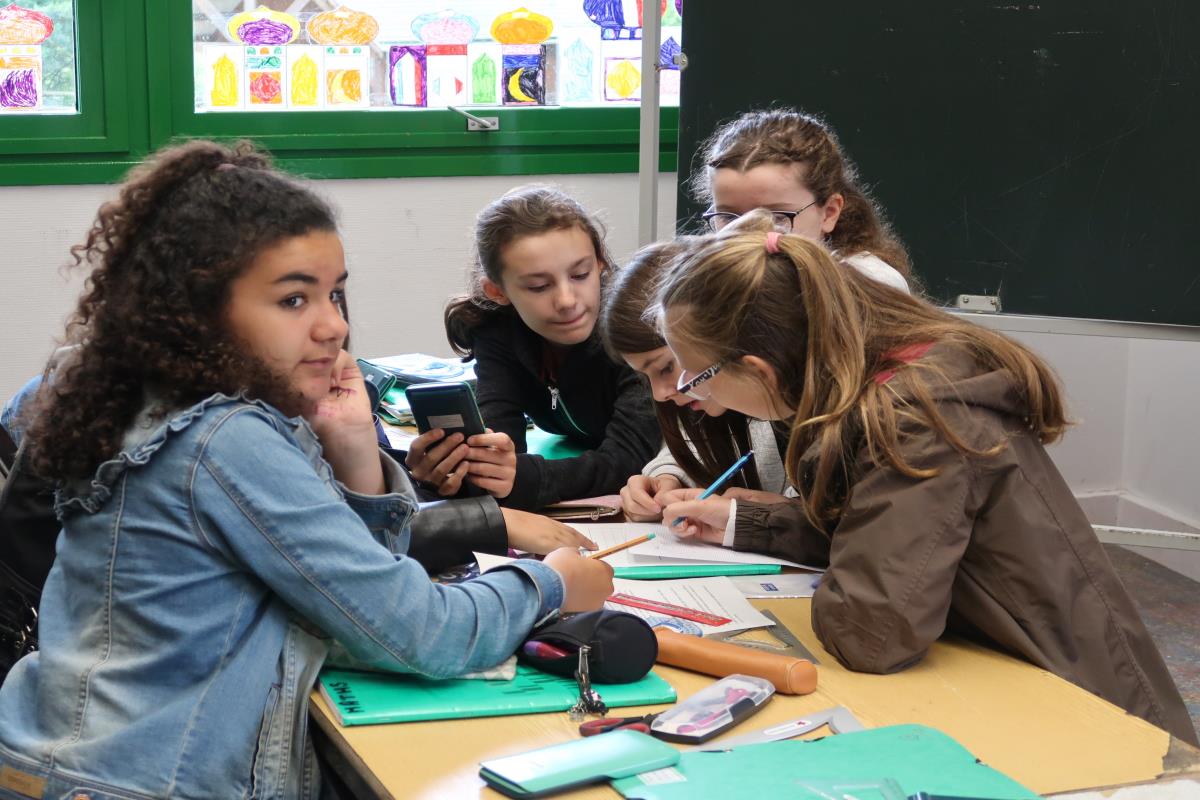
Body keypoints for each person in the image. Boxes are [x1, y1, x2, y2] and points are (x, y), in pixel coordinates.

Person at [0, 140, 614, 798]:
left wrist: (353, 449)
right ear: (200, 309)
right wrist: (550, 584)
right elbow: (417, 633)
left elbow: (352, 594)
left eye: (334, 294)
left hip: (67, 764)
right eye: (294, 300)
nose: (333, 327)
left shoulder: (153, 398)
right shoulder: (224, 439)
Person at [652, 211, 1197, 745]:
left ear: (760, 369)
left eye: (696, 375)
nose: (689, 389)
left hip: (1089, 715)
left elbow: (870, 634)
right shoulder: (873, 385)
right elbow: (877, 534)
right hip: (1000, 675)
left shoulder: (916, 417)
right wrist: (748, 522)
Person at [417, 185, 661, 511]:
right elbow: (499, 440)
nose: (567, 300)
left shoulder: (636, 326)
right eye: (539, 286)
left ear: (600, 261)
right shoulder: (496, 328)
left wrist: (524, 478)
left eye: (580, 274)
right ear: (497, 291)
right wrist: (464, 469)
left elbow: (629, 458)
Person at [600, 240, 795, 546]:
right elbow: (703, 439)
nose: (660, 395)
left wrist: (778, 516)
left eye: (666, 367)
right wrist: (667, 478)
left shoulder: (808, 413)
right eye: (645, 377)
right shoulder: (715, 403)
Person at [691, 107, 913, 293]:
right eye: (729, 218)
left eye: (777, 217)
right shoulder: (707, 282)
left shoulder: (870, 283)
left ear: (829, 213)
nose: (749, 235)